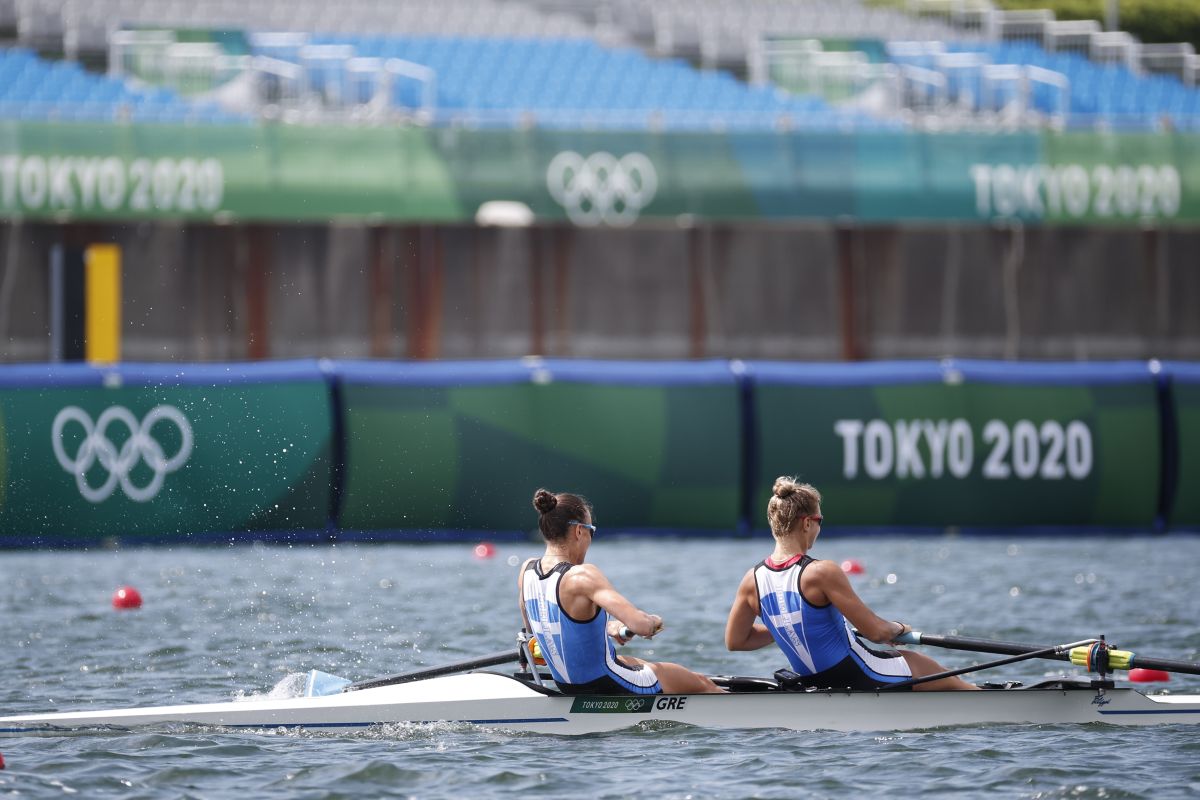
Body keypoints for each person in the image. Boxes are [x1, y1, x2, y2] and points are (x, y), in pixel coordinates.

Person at [725, 477, 978, 691]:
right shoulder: (821, 572)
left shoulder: (751, 580)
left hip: (812, 682)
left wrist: (792, 626)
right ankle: (977, 695)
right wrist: (899, 627)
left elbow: (736, 641)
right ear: (807, 523)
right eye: (820, 520)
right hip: (861, 675)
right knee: (920, 663)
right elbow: (876, 632)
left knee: (912, 664)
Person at [519, 488, 723, 695]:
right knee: (703, 684)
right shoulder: (583, 575)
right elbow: (641, 626)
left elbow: (542, 632)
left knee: (637, 663)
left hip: (566, 685)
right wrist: (653, 621)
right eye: (591, 531)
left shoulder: (527, 571)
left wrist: (610, 627)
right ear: (579, 531)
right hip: (606, 684)